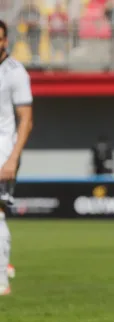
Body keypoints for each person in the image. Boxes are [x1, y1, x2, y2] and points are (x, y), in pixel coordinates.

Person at [0, 20, 34, 295]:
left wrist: (12, 159)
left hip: (3, 150)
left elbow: (26, 120)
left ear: (5, 40)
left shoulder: (15, 72)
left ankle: (1, 281)